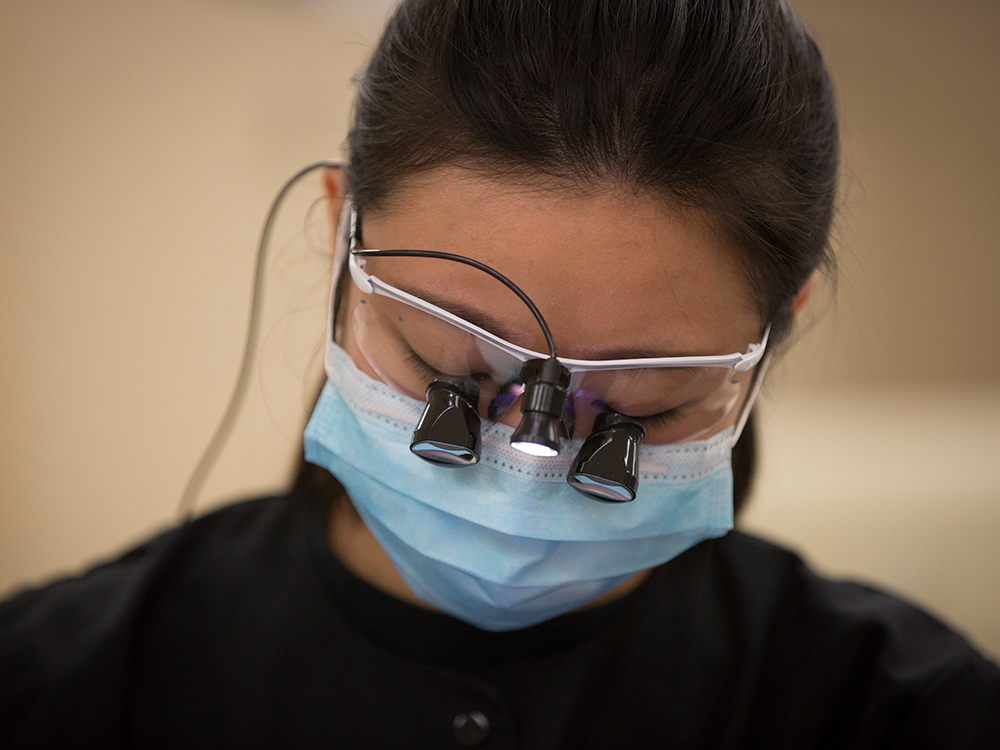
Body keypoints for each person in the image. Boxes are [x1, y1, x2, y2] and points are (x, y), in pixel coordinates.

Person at [2, 0, 998, 747]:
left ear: (773, 334)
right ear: (342, 227)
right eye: (450, 367)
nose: (530, 461)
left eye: (640, 406)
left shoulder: (902, 715)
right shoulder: (60, 688)